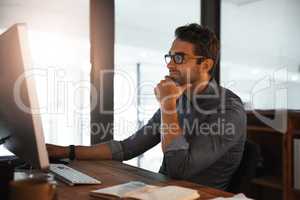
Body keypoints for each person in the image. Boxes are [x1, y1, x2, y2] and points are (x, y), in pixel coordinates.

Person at [47, 23, 246, 190]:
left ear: (206, 65)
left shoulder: (229, 110)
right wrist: (65, 151)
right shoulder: (180, 97)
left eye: (179, 57)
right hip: (164, 191)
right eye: (170, 57)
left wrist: (167, 104)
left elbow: (180, 169)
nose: (170, 64)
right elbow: (128, 147)